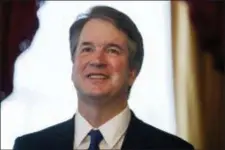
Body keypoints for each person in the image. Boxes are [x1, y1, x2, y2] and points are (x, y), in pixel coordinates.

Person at [13, 5, 194, 150]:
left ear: (132, 71)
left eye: (112, 50)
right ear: (73, 65)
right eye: (87, 49)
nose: (97, 60)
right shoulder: (29, 146)